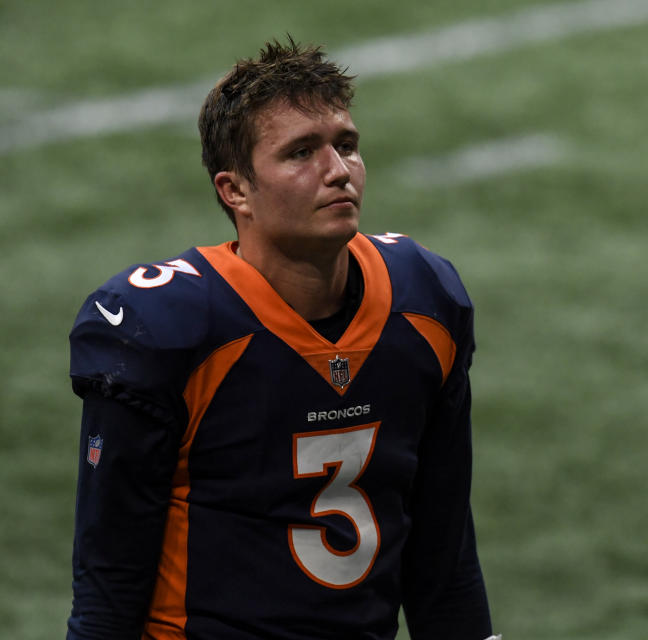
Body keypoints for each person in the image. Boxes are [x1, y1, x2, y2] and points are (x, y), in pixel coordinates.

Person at [67, 38, 499, 640]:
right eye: (301, 153)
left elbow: (444, 556)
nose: (338, 170)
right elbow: (107, 582)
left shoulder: (424, 301)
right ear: (234, 190)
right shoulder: (165, 327)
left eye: (346, 145)